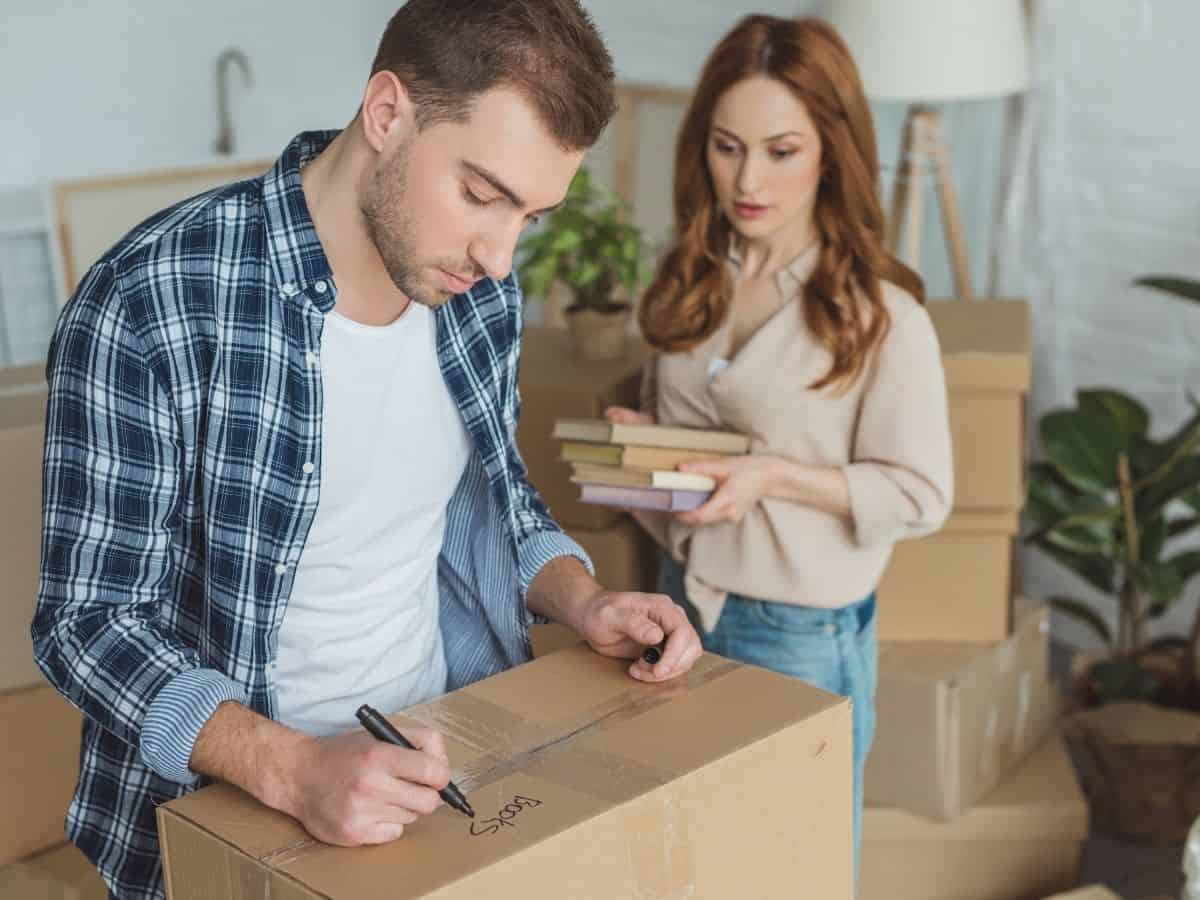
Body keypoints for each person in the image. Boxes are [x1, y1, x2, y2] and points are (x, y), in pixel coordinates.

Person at [31, 2, 703, 897]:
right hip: (236, 804)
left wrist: (581, 600)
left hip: (440, 765)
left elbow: (492, 500)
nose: (500, 257)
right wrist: (294, 769)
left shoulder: (474, 293)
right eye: (481, 193)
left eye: (530, 217)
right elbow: (87, 625)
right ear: (387, 112)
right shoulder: (151, 301)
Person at [606, 14, 953, 874]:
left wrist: (773, 478)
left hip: (796, 635)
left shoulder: (882, 317)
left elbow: (921, 494)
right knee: (694, 865)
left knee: (793, 870)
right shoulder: (690, 277)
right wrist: (640, 448)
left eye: (781, 151)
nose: (748, 178)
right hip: (673, 605)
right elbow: (687, 439)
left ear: (831, 151)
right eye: (727, 148)